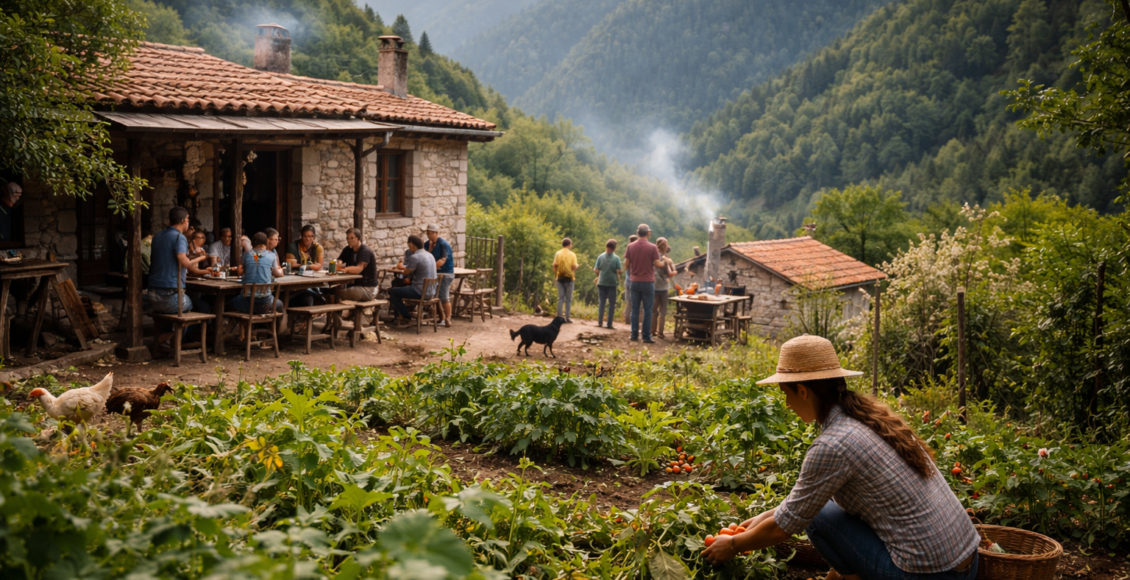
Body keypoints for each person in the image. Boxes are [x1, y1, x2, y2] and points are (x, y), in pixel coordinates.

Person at [701, 335, 980, 580]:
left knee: (818, 518)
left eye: (786, 394)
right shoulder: (866, 420)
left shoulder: (832, 445)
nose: (787, 404)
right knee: (822, 510)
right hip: (966, 564)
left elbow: (789, 525)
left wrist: (734, 545)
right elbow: (810, 499)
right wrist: (763, 517)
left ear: (802, 390)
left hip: (928, 576)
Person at [148, 207, 211, 342]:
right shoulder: (179, 237)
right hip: (169, 297)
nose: (188, 223)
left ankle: (167, 340)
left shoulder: (158, 236)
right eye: (188, 220)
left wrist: (201, 262)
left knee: (182, 306)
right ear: (183, 221)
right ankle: (172, 338)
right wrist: (204, 266)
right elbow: (186, 263)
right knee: (201, 307)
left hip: (152, 295)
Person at [232, 232, 284, 327]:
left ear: (252, 243)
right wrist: (281, 271)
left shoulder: (246, 255)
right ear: (266, 243)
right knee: (280, 304)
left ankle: (229, 333)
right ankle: (273, 332)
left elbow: (240, 272)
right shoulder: (271, 255)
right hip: (266, 304)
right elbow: (277, 274)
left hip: (246, 304)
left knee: (228, 303)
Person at [624, 225, 664, 343]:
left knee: (635, 309)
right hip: (648, 282)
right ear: (648, 234)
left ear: (637, 233)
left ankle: (634, 335)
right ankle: (646, 337)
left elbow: (626, 264)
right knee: (648, 310)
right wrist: (664, 262)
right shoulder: (652, 247)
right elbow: (657, 264)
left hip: (634, 282)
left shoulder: (630, 246)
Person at [388, 235, 436, 326]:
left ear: (411, 244)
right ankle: (406, 312)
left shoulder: (415, 257)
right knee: (401, 289)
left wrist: (401, 268)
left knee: (392, 291)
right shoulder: (430, 255)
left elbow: (406, 273)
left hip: (420, 292)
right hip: (432, 292)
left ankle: (406, 316)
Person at [285, 225, 326, 307]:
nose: (308, 239)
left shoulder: (317, 247)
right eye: (305, 236)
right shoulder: (293, 247)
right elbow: (292, 265)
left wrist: (302, 265)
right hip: (295, 280)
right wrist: (311, 265)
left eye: (311, 236)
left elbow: (319, 266)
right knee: (309, 295)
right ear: (301, 235)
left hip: (313, 279)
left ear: (314, 237)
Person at [335, 228, 380, 303]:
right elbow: (340, 259)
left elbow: (359, 269)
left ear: (358, 238)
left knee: (339, 293)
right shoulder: (348, 249)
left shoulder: (365, 251)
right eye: (348, 238)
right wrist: (339, 263)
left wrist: (344, 269)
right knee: (332, 290)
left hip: (368, 289)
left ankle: (335, 313)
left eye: (352, 238)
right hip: (356, 285)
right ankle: (337, 313)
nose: (349, 240)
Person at [423, 224, 455, 327]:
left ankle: (448, 318)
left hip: (445, 273)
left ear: (436, 233)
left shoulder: (443, 244)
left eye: (430, 233)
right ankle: (441, 318)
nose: (428, 235)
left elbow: (442, 260)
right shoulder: (427, 244)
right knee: (435, 297)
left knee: (443, 296)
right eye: (427, 233)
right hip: (434, 273)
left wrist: (431, 268)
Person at [593, 239, 621, 329]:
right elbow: (619, 271)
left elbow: (596, 269)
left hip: (601, 282)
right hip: (612, 283)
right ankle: (609, 324)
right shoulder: (616, 258)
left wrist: (599, 274)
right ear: (614, 248)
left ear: (606, 246)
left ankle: (600, 322)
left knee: (602, 303)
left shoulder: (600, 257)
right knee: (612, 304)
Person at [652, 237, 676, 339]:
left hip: (653, 286)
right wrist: (675, 272)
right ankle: (660, 332)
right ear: (666, 246)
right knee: (663, 312)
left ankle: (652, 331)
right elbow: (670, 273)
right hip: (663, 288)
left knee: (653, 311)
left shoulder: (653, 256)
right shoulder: (666, 259)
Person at [553, 238, 579, 323]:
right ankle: (567, 318)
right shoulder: (572, 254)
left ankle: (559, 317)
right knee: (568, 299)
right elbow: (574, 266)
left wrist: (555, 276)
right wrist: (574, 270)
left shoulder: (557, 253)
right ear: (569, 245)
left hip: (560, 278)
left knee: (560, 299)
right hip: (569, 279)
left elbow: (555, 265)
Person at [622, 234, 638, 325]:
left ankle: (627, 319)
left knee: (628, 301)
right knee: (634, 301)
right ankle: (632, 320)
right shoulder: (635, 252)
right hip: (633, 280)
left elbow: (626, 265)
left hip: (627, 280)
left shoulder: (628, 250)